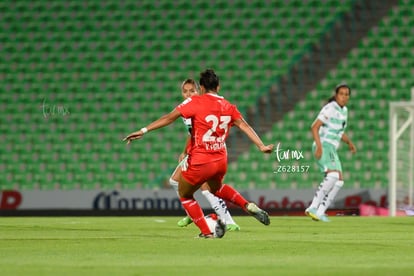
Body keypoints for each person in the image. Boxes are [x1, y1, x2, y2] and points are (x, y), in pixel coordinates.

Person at [124, 69, 273, 238]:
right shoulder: (229, 107)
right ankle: (247, 205)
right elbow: (245, 126)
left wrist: (144, 130)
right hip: (221, 159)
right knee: (216, 188)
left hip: (201, 159)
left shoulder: (195, 102)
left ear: (201, 88)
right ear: (219, 86)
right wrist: (261, 146)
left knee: (184, 193)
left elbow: (169, 118)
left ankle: (206, 231)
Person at [170, 78, 240, 231]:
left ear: (198, 90)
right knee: (175, 181)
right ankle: (192, 211)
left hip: (208, 151)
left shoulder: (198, 105)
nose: (189, 94)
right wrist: (184, 151)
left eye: (192, 90)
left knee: (206, 187)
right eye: (185, 91)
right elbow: (193, 133)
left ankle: (227, 220)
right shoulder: (187, 108)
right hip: (199, 149)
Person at [305, 84, 357, 222]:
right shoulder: (330, 108)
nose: (344, 96)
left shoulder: (344, 110)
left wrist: (349, 143)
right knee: (333, 175)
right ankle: (313, 207)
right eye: (341, 93)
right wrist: (319, 147)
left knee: (339, 180)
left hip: (332, 148)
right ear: (336, 95)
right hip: (324, 145)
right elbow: (314, 127)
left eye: (347, 94)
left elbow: (339, 132)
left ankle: (320, 212)